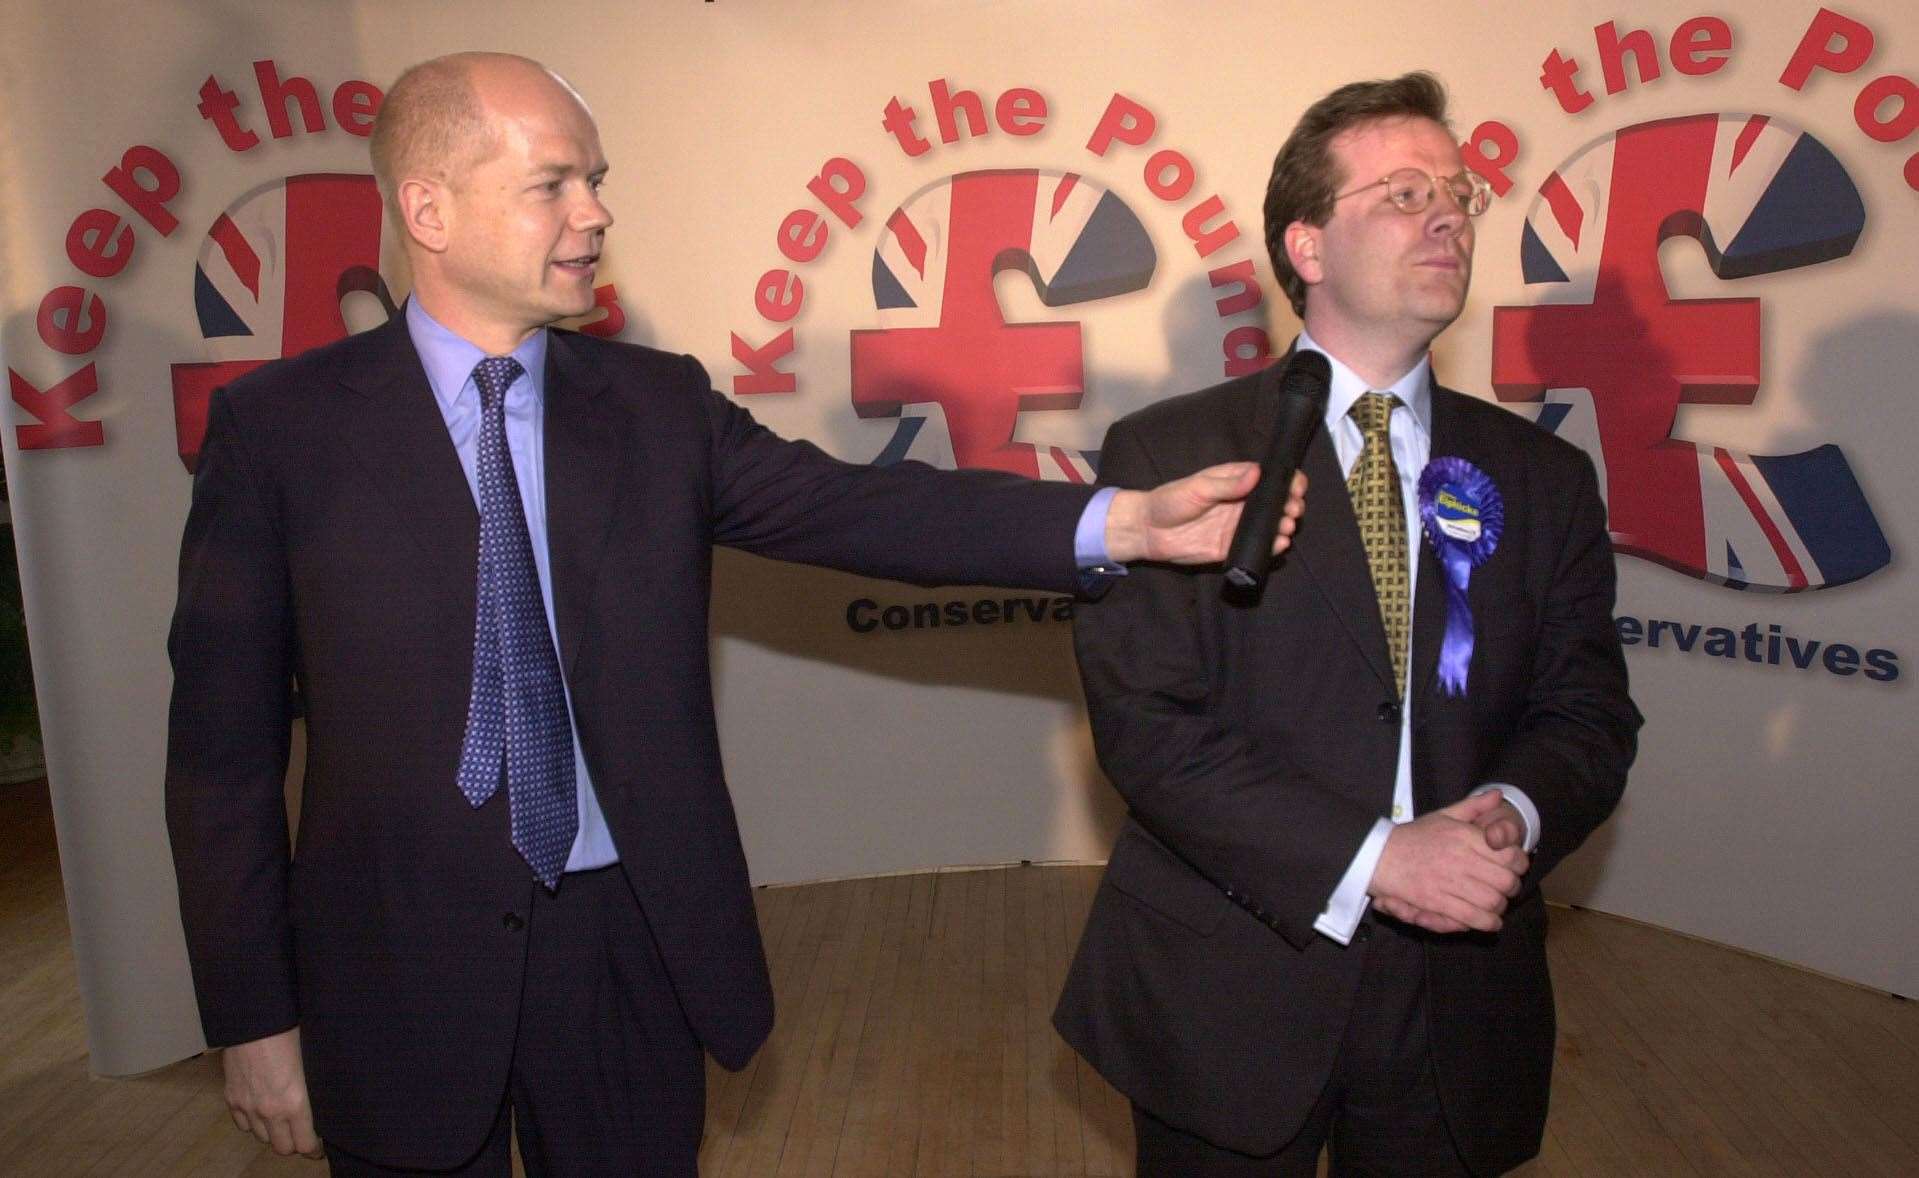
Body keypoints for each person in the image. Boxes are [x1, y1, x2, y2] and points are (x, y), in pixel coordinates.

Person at [163, 52, 1303, 1177]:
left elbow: (863, 508)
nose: (596, 213)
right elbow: (221, 758)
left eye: (596, 179)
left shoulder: (657, 409)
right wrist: (254, 1016)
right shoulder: (279, 433)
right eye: (554, 183)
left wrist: (1123, 526)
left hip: (627, 945)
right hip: (393, 965)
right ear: (429, 207)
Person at [1053, 71, 1641, 1176]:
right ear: (1307, 247)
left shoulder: (1542, 475)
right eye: (1402, 192)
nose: (1444, 217)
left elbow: (1586, 707)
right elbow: (1148, 728)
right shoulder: (1166, 456)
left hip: (1459, 999)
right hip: (1231, 981)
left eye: (1458, 195)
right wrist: (1376, 859)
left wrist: (1512, 810)